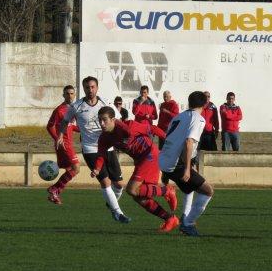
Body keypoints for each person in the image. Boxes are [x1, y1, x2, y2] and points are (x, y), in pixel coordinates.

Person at [91, 106, 180, 232]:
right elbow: (101, 154)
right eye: (99, 120)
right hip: (140, 160)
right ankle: (170, 218)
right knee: (139, 197)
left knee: (131, 189)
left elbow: (152, 128)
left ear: (113, 120)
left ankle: (167, 190)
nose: (101, 123)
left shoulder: (130, 126)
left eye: (104, 120)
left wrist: (168, 141)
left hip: (150, 155)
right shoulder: (104, 137)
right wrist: (97, 168)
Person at [57, 76, 130, 223]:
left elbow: (118, 120)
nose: (90, 90)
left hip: (108, 147)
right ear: (83, 89)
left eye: (92, 87)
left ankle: (111, 204)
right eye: (87, 87)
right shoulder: (76, 106)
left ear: (97, 88)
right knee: (106, 182)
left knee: (119, 185)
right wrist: (60, 135)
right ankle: (118, 213)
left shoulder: (105, 103)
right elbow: (64, 121)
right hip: (90, 149)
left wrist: (122, 137)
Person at [159, 91, 214, 236]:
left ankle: (184, 215)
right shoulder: (199, 119)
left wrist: (165, 171)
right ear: (205, 104)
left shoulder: (178, 117)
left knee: (189, 189)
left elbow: (168, 139)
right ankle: (188, 224)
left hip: (165, 161)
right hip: (177, 163)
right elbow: (189, 142)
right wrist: (188, 169)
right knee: (208, 191)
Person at [46, 85, 80, 204]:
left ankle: (55, 194)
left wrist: (81, 129)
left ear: (74, 95)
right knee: (76, 168)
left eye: (71, 93)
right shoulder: (60, 110)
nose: (69, 96)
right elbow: (49, 126)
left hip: (68, 143)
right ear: (63, 95)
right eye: (67, 93)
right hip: (64, 144)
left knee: (71, 169)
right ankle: (54, 189)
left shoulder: (73, 108)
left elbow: (69, 126)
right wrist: (57, 139)